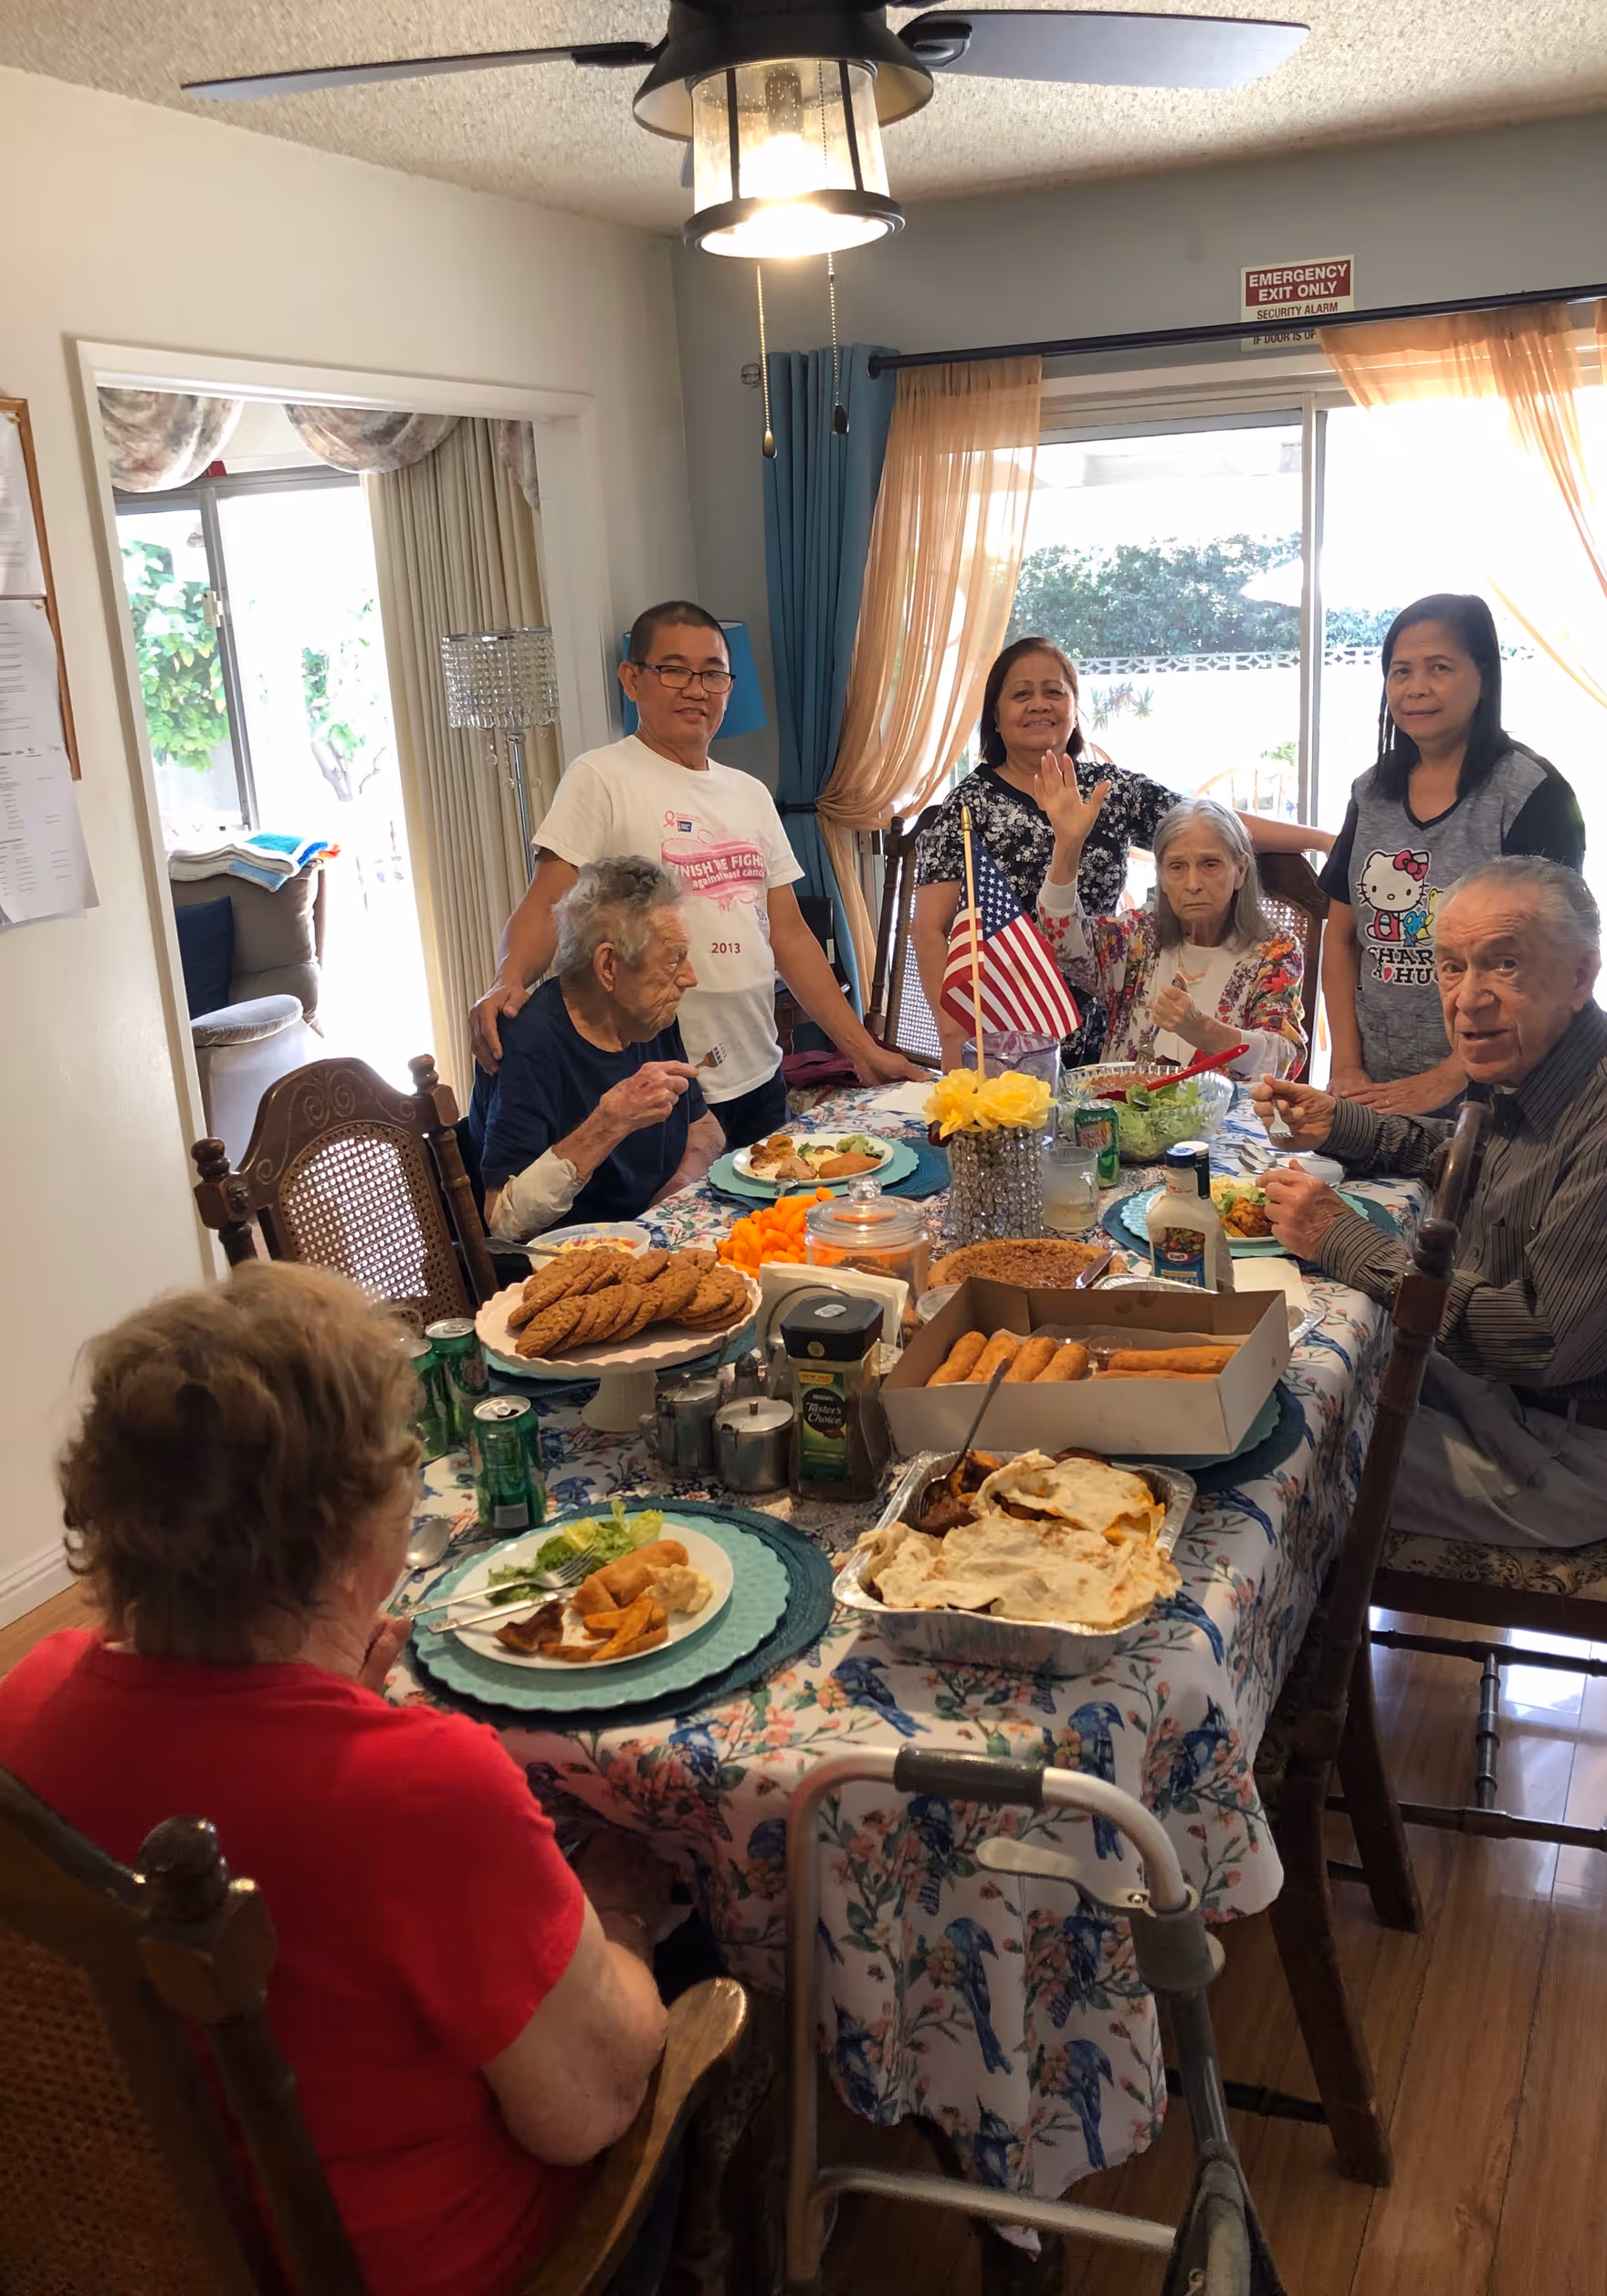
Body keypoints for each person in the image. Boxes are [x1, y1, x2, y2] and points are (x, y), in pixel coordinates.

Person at [0, 1264, 678, 2296]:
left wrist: (322, 1696)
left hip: (126, 2252)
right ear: (361, 1523)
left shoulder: (24, 1705)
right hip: (473, 2268)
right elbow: (591, 2112)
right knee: (698, 1955)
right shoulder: (421, 1792)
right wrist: (622, 1916)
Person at [1254, 857, 1607, 1549]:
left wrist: (1338, 1237)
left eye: (1504, 964)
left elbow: (1540, 1339)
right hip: (1507, 1400)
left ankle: (1291, 1646)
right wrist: (1340, 1123)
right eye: (1451, 966)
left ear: (1582, 975)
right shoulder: (1548, 1060)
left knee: (1271, 1464)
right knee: (1291, 1377)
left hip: (1566, 1455)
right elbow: (1472, 1159)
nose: (1468, 999)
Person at [469, 603, 924, 1150]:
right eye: (674, 669)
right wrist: (509, 978)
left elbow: (789, 935)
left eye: (712, 672)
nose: (696, 688)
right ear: (632, 679)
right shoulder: (601, 777)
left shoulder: (750, 794)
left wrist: (861, 1049)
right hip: (661, 1085)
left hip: (757, 1068)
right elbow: (548, 899)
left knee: (774, 1226)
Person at [910, 635, 1330, 1067]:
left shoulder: (1112, 791)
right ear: (995, 718)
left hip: (1104, 1025)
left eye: (1054, 692)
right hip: (1005, 1028)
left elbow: (1208, 828)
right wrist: (953, 1035)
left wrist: (1324, 841)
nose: (1039, 704)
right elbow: (929, 928)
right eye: (1021, 694)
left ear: (1074, 709)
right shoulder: (969, 805)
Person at [1320, 592, 1585, 1117]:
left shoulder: (1533, 794)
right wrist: (1346, 1065)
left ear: (1482, 675)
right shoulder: (1369, 792)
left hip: (1499, 1095)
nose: (1416, 688)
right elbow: (1342, 937)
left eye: (1438, 668)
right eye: (1401, 671)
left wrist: (1447, 1078)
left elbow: (1553, 962)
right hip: (1377, 1092)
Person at [468, 857, 723, 1242]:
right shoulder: (529, 1042)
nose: (690, 977)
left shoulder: (651, 1019)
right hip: (571, 1265)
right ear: (608, 966)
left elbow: (705, 1128)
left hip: (654, 1235)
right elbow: (504, 1221)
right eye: (674, 959)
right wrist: (611, 1121)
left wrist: (675, 1193)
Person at [1034, 766, 1306, 1078]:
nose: (1193, 883)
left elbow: (1285, 1059)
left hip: (1227, 1124)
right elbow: (1064, 942)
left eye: (1210, 864)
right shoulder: (1138, 938)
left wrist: (1206, 1031)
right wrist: (1067, 847)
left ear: (1240, 870)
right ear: (1161, 877)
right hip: (1128, 1118)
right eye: (1177, 867)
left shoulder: (1275, 950)